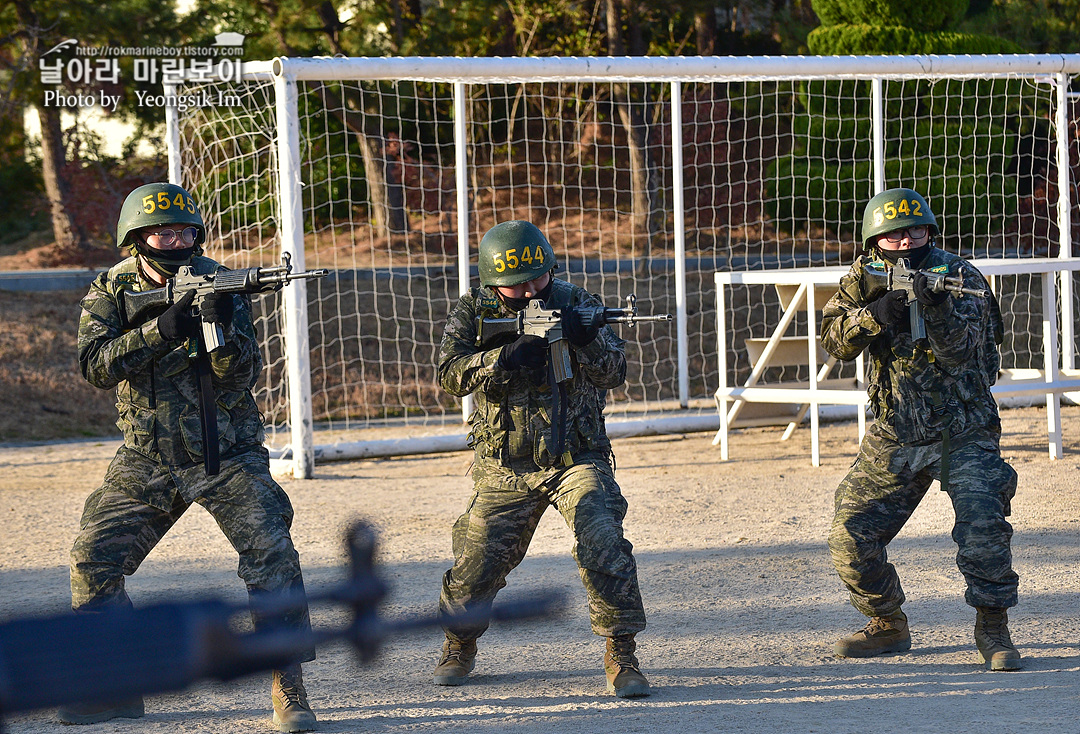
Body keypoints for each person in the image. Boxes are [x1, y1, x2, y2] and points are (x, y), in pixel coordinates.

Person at [63, 182, 319, 730]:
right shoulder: (110, 290)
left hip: (225, 451)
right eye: (164, 232)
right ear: (137, 238)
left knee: (272, 555)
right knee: (94, 558)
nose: (176, 241)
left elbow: (242, 375)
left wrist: (217, 324)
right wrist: (160, 329)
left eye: (184, 232)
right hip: (148, 454)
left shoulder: (218, 280)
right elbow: (95, 368)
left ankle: (286, 683)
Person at [432, 220, 650, 697]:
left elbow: (615, 372)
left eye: (539, 278)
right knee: (477, 562)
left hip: (576, 458)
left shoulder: (578, 304)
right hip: (506, 465)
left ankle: (622, 651)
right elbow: (449, 374)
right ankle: (459, 640)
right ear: (493, 283)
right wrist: (505, 357)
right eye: (518, 284)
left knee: (603, 537)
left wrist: (583, 338)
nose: (531, 291)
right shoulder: (474, 311)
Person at [821, 187, 1020, 670]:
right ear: (874, 242)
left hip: (962, 432)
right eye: (893, 235)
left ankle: (993, 629)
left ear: (930, 230)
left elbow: (965, 355)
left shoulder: (958, 276)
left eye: (916, 230)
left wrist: (936, 308)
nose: (906, 243)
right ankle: (887, 621)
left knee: (984, 529)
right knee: (850, 535)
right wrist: (872, 315)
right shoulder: (862, 277)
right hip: (895, 434)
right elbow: (833, 341)